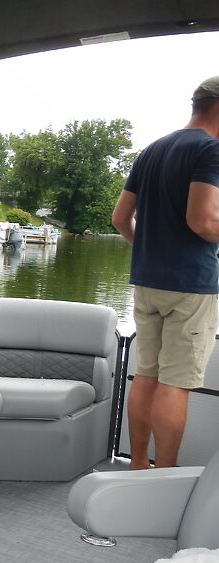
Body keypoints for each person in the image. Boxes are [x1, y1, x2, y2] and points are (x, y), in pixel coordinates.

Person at [112, 76, 219, 469]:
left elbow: (121, 218)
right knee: (176, 385)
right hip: (191, 286)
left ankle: (138, 466)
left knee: (146, 377)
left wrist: (150, 251)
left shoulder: (153, 149)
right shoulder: (211, 150)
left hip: (147, 283)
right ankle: (164, 477)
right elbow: (203, 221)